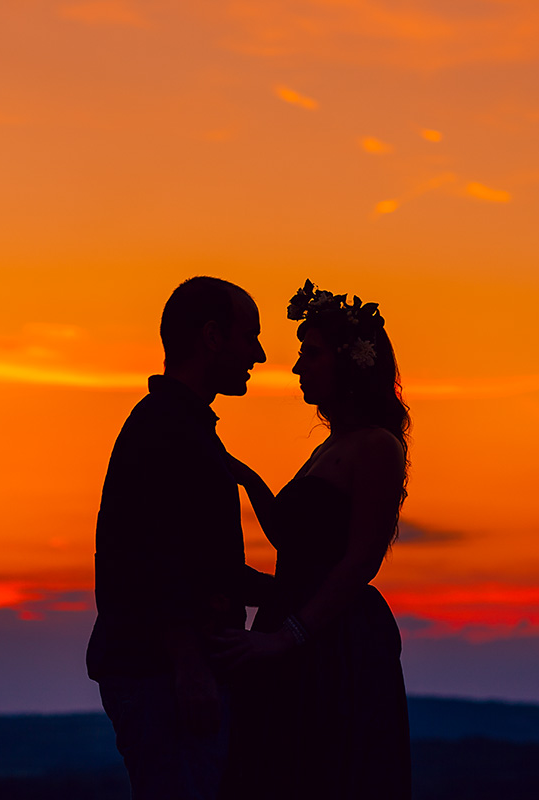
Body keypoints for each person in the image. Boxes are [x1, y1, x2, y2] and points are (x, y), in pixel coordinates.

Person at [215, 279, 412, 799]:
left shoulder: (376, 447)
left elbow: (359, 561)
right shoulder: (334, 445)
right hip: (293, 622)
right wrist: (239, 475)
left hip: (335, 641)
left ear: (351, 364)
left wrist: (289, 637)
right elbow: (288, 537)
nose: (299, 367)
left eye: (311, 354)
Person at [86, 276, 274, 800]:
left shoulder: (179, 427)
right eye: (249, 336)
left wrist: (289, 596)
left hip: (165, 671)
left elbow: (203, 565)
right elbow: (149, 561)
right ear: (212, 337)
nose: (258, 354)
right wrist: (189, 667)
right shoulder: (168, 431)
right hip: (160, 677)